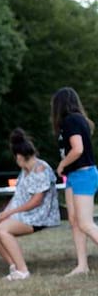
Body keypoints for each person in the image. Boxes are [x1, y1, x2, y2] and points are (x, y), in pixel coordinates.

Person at [0, 129, 60, 280]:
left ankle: (23, 271)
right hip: (21, 212)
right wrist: (6, 212)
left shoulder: (40, 169)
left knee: (2, 229)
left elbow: (36, 201)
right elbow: (18, 196)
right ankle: (14, 266)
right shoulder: (25, 170)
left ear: (19, 156)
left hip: (37, 216)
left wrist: (10, 213)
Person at [51, 87, 98, 276]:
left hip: (83, 175)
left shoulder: (72, 120)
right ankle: (82, 265)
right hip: (73, 176)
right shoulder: (74, 121)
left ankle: (83, 265)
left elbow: (77, 149)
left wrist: (62, 164)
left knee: (86, 223)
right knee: (75, 221)